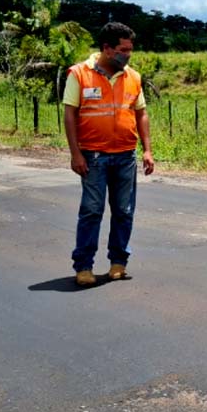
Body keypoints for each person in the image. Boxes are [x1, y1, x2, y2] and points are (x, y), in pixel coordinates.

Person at [63, 22, 155, 286]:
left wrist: (147, 150)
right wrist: (75, 153)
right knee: (92, 210)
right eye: (123, 50)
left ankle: (118, 263)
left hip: (126, 156)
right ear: (107, 48)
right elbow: (69, 114)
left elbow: (141, 113)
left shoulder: (133, 77)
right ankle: (83, 267)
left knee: (124, 211)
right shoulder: (80, 74)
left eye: (130, 50)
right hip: (93, 156)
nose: (128, 55)